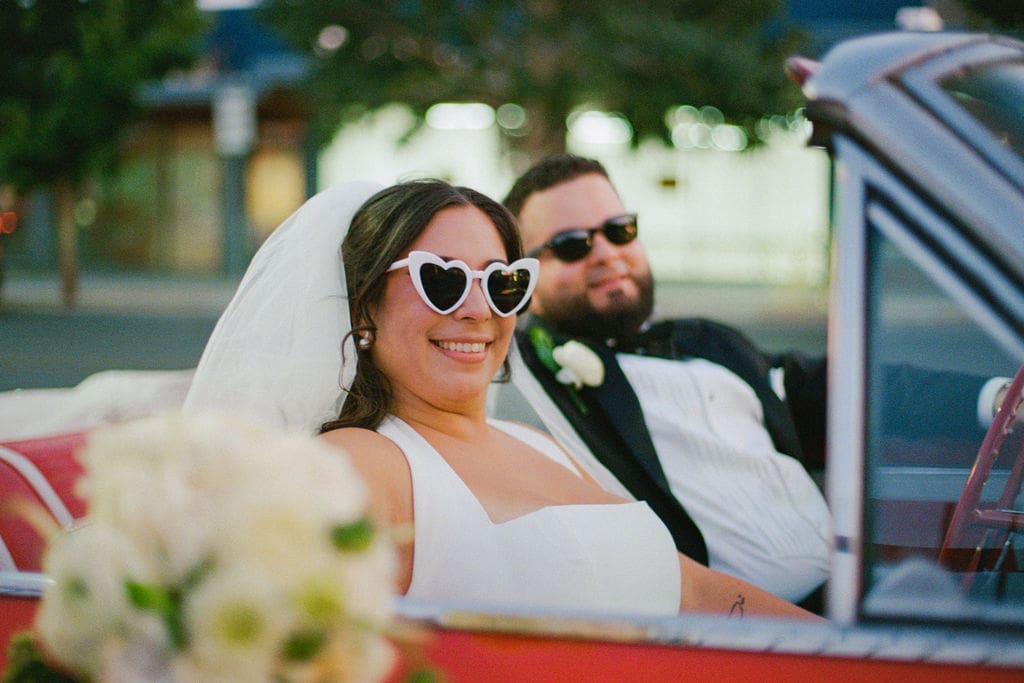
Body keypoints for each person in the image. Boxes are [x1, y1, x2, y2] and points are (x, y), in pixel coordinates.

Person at [186, 178, 818, 620]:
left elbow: (696, 595)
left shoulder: (538, 444)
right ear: (365, 305)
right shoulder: (356, 465)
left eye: (504, 282)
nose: (478, 308)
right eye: (442, 280)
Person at [499, 154, 1009, 609]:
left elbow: (851, 389)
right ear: (526, 276)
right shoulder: (531, 376)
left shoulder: (709, 342)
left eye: (619, 229)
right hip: (748, 634)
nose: (607, 252)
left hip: (852, 590)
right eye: (571, 245)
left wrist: (1000, 401)